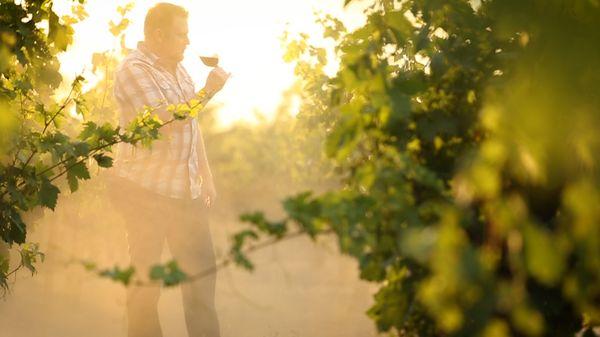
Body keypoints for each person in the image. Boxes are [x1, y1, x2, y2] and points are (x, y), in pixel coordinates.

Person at [108, 3, 229, 337]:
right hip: (144, 195)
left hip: (185, 196)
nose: (187, 42)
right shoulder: (133, 70)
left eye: (187, 34)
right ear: (158, 35)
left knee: (201, 284)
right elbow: (164, 121)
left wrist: (206, 176)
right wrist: (207, 92)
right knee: (146, 290)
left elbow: (191, 125)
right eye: (181, 35)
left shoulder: (180, 69)